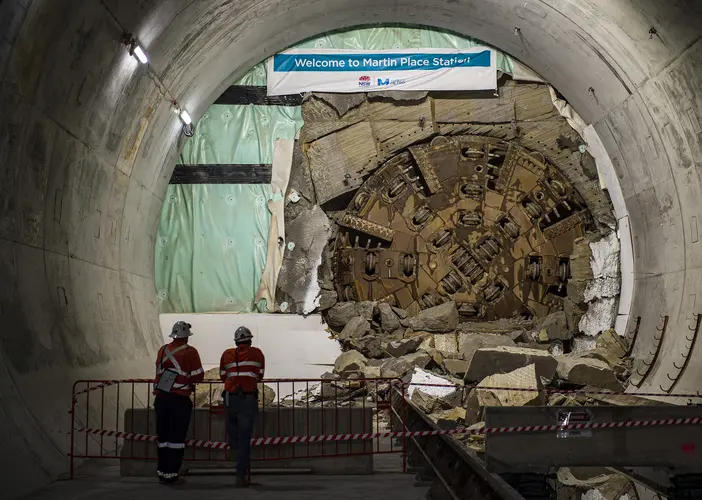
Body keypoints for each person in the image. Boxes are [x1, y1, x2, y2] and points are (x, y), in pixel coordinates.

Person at [153, 321, 204, 484]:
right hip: (179, 400)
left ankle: (161, 470)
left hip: (161, 398)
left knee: (163, 438)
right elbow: (198, 376)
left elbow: (159, 372)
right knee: (176, 439)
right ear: (186, 337)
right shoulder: (190, 352)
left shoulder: (163, 350)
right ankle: (171, 473)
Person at [219, 326, 266, 488]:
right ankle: (241, 473)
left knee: (232, 428)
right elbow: (260, 375)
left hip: (231, 399)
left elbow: (222, 375)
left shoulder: (226, 354)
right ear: (250, 340)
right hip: (247, 399)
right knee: (245, 437)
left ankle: (233, 447)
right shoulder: (257, 353)